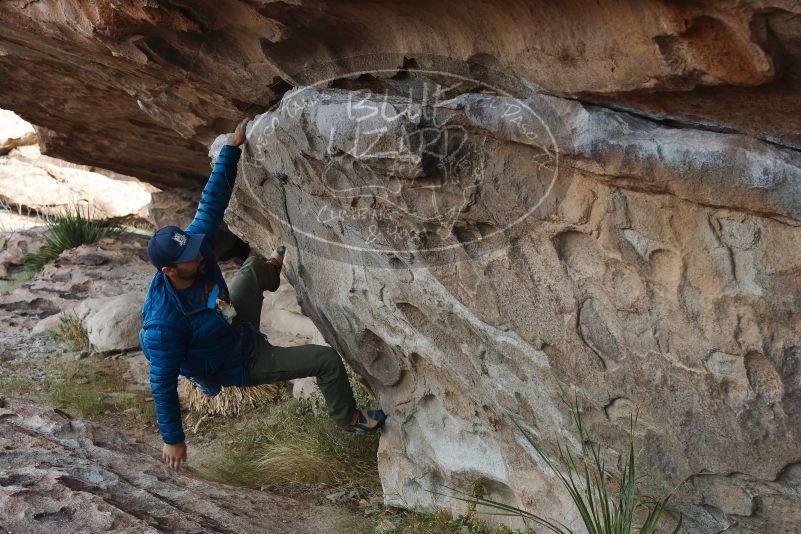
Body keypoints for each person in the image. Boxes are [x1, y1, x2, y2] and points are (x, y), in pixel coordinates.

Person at [139, 117, 386, 472]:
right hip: (238, 362)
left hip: (233, 324)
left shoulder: (195, 250)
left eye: (194, 248)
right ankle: (349, 418)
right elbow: (161, 383)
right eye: (189, 258)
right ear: (169, 271)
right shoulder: (164, 324)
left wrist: (231, 149)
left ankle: (272, 270)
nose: (199, 253)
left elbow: (211, 204)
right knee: (326, 360)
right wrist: (173, 439)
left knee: (254, 269)